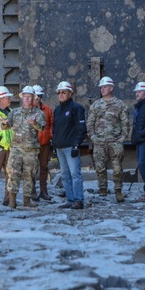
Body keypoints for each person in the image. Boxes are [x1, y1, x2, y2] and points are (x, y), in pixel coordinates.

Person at [86, 76, 132, 202]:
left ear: (111, 88)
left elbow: (125, 123)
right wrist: (93, 137)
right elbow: (89, 123)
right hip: (99, 142)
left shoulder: (120, 105)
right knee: (100, 168)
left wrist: (122, 138)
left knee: (117, 168)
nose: (102, 89)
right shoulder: (96, 105)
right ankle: (102, 189)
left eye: (105, 87)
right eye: (101, 87)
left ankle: (118, 191)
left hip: (115, 142)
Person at [0, 85, 46, 209]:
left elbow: (42, 127)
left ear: (33, 98)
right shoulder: (14, 112)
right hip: (16, 150)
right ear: (22, 98)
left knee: (29, 175)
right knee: (13, 174)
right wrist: (3, 123)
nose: (27, 99)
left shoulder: (38, 113)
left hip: (31, 150)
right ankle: (12, 201)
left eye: (29, 97)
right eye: (25, 96)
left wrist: (34, 123)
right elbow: (6, 126)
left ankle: (27, 200)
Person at [51, 81, 87, 209]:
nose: (61, 94)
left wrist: (76, 145)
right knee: (65, 175)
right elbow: (55, 129)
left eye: (63, 92)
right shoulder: (57, 110)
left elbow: (81, 128)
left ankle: (78, 200)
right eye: (59, 92)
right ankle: (70, 200)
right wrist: (54, 145)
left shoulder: (77, 108)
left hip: (70, 147)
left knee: (75, 174)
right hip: (60, 148)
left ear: (70, 93)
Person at [32, 85, 54, 201]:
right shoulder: (27, 110)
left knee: (43, 167)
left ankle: (43, 191)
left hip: (45, 143)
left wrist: (50, 136)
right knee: (32, 168)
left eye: (39, 96)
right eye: (36, 96)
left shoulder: (47, 109)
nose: (37, 98)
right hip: (32, 145)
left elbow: (51, 124)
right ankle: (32, 191)